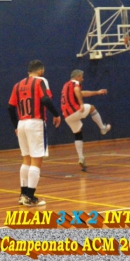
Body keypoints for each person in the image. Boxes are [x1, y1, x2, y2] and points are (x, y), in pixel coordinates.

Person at [8, 60, 61, 206]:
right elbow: (45, 99)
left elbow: (10, 107)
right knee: (37, 160)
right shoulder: (40, 81)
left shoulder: (17, 85)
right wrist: (56, 114)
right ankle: (30, 197)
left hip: (21, 123)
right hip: (35, 122)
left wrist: (15, 126)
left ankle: (23, 195)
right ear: (40, 71)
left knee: (26, 159)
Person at [61, 69, 111, 172]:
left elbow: (82, 93)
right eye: (82, 77)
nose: (83, 79)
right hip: (74, 110)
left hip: (67, 116)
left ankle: (81, 158)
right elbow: (77, 91)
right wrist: (81, 104)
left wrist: (97, 92)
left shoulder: (66, 85)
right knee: (92, 108)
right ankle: (103, 128)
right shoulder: (75, 83)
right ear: (77, 76)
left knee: (78, 134)